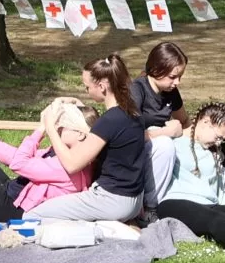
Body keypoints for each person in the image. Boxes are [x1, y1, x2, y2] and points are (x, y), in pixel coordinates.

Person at [27, 54, 151, 222]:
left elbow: (72, 165)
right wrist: (76, 102)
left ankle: (104, 231)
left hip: (112, 201)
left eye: (87, 87)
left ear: (102, 86)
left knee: (34, 215)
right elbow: (109, 133)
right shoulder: (133, 113)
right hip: (134, 202)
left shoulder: (109, 121)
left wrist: (50, 128)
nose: (86, 91)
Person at [146, 102, 225, 250]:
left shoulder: (213, 151)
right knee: (215, 219)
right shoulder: (171, 140)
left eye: (222, 139)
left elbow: (220, 187)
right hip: (176, 202)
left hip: (210, 205)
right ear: (205, 122)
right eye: (218, 137)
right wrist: (168, 131)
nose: (219, 142)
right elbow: (145, 136)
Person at [128, 42, 190, 137]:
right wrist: (165, 132)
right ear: (156, 70)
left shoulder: (171, 91)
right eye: (172, 77)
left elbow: (184, 121)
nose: (177, 82)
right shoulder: (137, 90)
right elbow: (128, 134)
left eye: (180, 76)